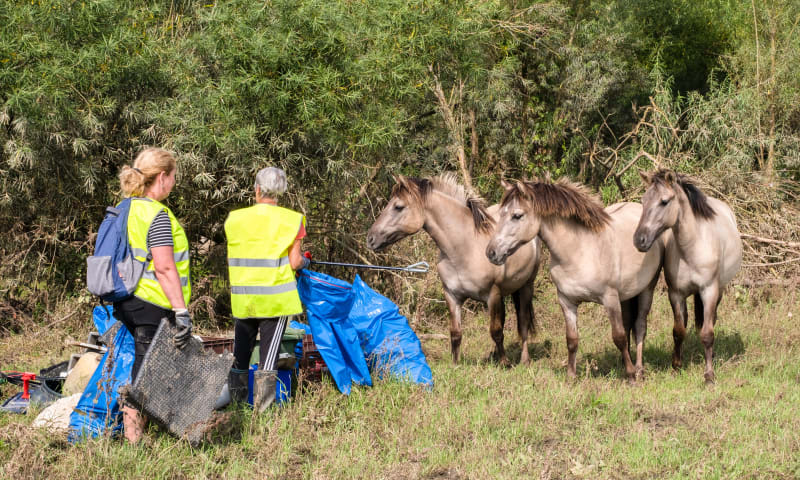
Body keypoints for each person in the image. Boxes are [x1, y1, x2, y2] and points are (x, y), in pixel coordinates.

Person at [115, 147, 192, 443]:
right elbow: (164, 267)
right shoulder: (157, 214)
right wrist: (181, 310)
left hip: (128, 299)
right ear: (162, 177)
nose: (173, 183)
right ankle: (134, 442)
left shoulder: (127, 207)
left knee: (142, 367)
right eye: (173, 177)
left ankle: (138, 433)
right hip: (152, 302)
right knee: (146, 374)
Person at [224, 166, 309, 411]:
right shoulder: (292, 220)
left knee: (240, 355)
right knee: (268, 359)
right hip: (276, 300)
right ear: (280, 191)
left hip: (244, 298)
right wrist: (306, 261)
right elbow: (295, 262)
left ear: (257, 189)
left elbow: (235, 256)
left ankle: (236, 410)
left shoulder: (235, 219)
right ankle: (261, 416)